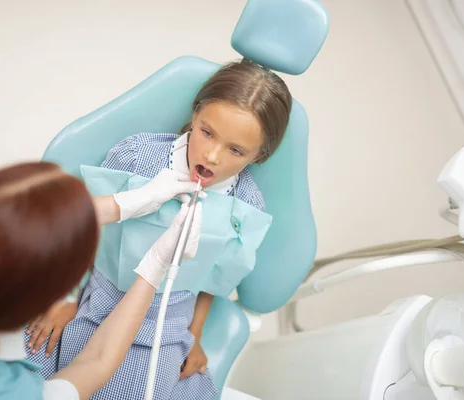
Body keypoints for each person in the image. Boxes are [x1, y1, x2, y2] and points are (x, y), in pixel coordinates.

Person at [25, 59, 293, 399]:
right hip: (95, 298)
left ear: (258, 156)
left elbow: (217, 278)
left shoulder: (245, 205)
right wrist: (65, 297)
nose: (211, 155)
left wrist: (194, 335)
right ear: (195, 116)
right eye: (207, 132)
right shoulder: (138, 158)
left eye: (235, 150)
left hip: (164, 325)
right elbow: (84, 231)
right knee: (33, 357)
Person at [0, 161, 203, 400]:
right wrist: (155, 266)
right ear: (49, 303)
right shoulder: (7, 392)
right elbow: (96, 363)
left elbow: (0, 224)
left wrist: (127, 203)